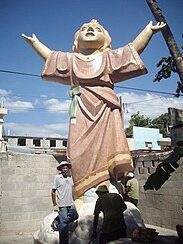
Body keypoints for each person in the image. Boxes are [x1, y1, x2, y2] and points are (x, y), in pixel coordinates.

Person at [22, 19, 166, 197]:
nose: (90, 29)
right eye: (84, 28)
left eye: (96, 29)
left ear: (105, 40)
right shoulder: (71, 60)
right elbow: (52, 57)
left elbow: (131, 51)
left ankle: (103, 184)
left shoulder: (108, 57)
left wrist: (148, 31)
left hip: (105, 109)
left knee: (106, 147)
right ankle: (82, 190)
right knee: (76, 150)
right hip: (81, 107)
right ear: (76, 40)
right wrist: (35, 43)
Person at [51, 161, 78, 244]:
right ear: (61, 169)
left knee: (75, 216)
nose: (65, 169)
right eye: (63, 168)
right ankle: (63, 242)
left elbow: (72, 189)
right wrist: (55, 204)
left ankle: (59, 219)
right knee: (64, 226)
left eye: (66, 168)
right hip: (62, 204)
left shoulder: (70, 178)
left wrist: (74, 199)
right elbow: (53, 191)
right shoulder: (57, 178)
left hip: (70, 203)